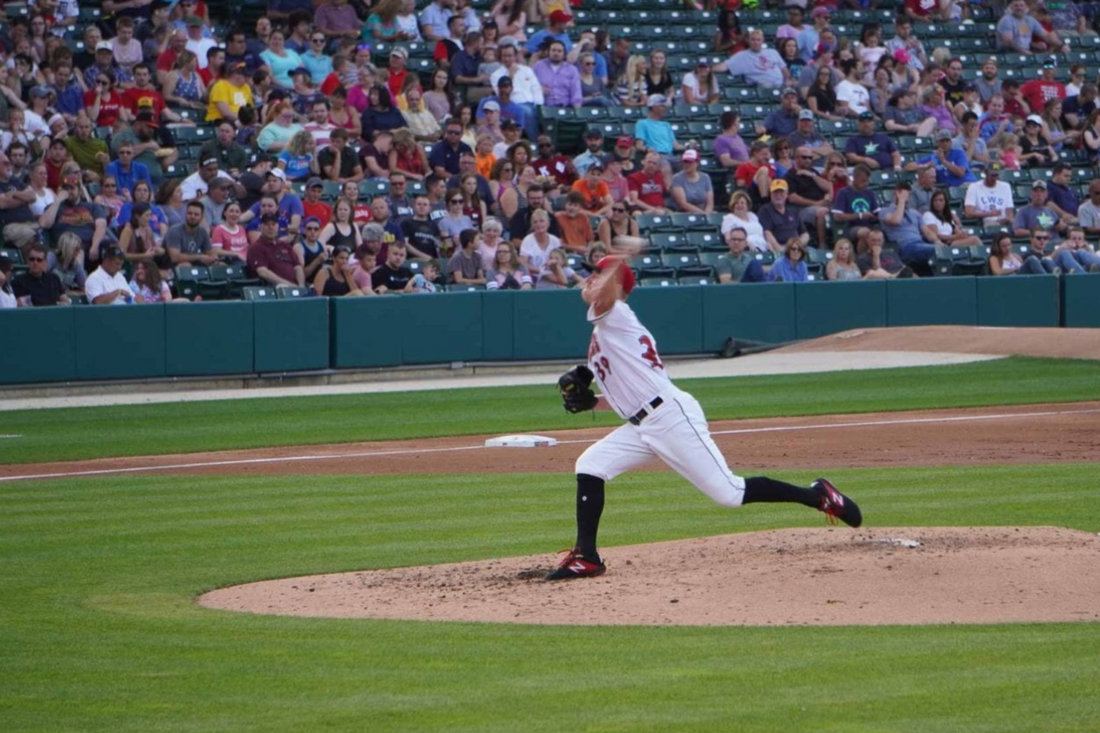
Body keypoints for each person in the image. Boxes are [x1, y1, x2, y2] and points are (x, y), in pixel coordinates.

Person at [546, 256, 862, 580]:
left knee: (729, 493)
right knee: (591, 465)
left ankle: (820, 496)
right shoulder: (605, 331)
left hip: (671, 419)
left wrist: (620, 257)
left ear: (616, 288)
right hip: (645, 422)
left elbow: (611, 299)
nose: (589, 279)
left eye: (598, 274)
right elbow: (634, 396)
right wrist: (592, 402)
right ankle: (587, 556)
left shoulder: (617, 315)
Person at [248, 212, 306, 286]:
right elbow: (263, 272)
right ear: (261, 228)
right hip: (274, 289)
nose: (270, 227)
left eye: (273, 224)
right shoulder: (256, 248)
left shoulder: (285, 245)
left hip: (295, 288)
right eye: (267, 224)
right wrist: (290, 286)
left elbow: (298, 267)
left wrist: (301, 286)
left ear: (277, 227)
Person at [721, 29, 788, 89]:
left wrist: (787, 80)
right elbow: (725, 65)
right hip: (762, 85)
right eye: (753, 40)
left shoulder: (772, 52)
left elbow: (784, 69)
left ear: (763, 41)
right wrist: (712, 68)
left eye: (758, 40)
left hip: (780, 83)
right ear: (748, 41)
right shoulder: (742, 55)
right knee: (766, 85)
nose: (756, 42)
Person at [11, 242, 68, 306]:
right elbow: (20, 304)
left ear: (45, 262)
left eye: (39, 260)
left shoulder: (54, 279)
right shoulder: (18, 281)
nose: (35, 262)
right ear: (27, 261)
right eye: (32, 259)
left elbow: (65, 302)